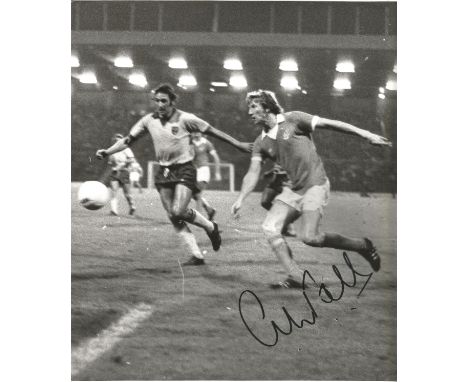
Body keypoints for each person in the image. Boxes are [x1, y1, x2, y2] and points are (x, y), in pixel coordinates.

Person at [231, 89, 392, 288]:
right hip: (293, 189)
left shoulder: (293, 119)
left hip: (315, 185)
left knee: (310, 238)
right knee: (269, 227)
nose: (249, 112)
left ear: (267, 107)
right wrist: (240, 198)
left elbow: (331, 124)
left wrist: (366, 134)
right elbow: (253, 172)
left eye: (254, 106)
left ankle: (363, 246)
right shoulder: (260, 142)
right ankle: (295, 277)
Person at [96, 83, 251, 266]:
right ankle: (197, 254)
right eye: (157, 101)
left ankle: (210, 227)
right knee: (173, 215)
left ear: (172, 102)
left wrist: (238, 144)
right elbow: (128, 140)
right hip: (163, 172)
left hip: (184, 168)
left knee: (178, 210)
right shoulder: (148, 120)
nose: (160, 104)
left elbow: (213, 132)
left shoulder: (186, 119)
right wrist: (108, 152)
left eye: (164, 101)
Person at [100, 133, 136, 216]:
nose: (117, 140)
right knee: (113, 191)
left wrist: (123, 164)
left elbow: (132, 160)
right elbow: (110, 164)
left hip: (124, 172)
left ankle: (132, 206)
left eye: (119, 139)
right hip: (115, 173)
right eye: (116, 139)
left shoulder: (126, 149)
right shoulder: (112, 150)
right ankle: (114, 211)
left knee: (127, 194)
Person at [191, 132, 221, 220]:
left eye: (198, 132)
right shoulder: (190, 143)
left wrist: (217, 172)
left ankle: (198, 218)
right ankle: (210, 210)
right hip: (194, 171)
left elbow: (216, 157)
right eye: (194, 132)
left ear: (201, 133)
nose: (196, 134)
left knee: (199, 193)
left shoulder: (206, 143)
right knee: (194, 194)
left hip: (203, 170)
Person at [261, 163, 296, 236]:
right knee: (264, 202)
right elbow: (265, 176)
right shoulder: (279, 157)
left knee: (284, 206)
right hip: (273, 185)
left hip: (285, 186)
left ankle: (288, 226)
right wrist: (271, 171)